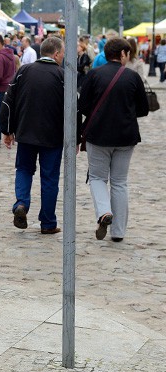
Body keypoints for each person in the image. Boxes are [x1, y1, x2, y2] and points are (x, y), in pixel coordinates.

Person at [78, 37, 149, 242]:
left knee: (98, 178)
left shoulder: (94, 75)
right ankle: (118, 232)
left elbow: (82, 106)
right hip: (126, 136)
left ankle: (103, 212)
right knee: (119, 182)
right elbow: (143, 109)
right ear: (123, 54)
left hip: (98, 135)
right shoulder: (132, 77)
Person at [0, 36, 65, 235]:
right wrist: (76, 137)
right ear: (55, 54)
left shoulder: (24, 71)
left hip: (26, 133)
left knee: (24, 170)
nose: (63, 56)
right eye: (62, 53)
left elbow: (8, 102)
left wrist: (7, 130)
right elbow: (74, 109)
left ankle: (21, 203)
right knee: (49, 179)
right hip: (52, 136)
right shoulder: (62, 75)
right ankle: (48, 222)